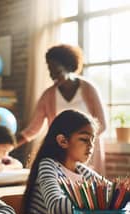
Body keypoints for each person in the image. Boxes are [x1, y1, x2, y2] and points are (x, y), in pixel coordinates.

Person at [17, 44, 106, 174]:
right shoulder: (48, 95)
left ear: (69, 67)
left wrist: (80, 141)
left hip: (88, 156)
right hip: (61, 156)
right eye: (50, 71)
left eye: (57, 71)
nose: (52, 75)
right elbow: (33, 128)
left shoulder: (88, 90)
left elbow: (102, 125)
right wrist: (10, 143)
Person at [24, 109, 103, 214]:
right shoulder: (48, 165)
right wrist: (100, 198)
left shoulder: (82, 171)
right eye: (84, 139)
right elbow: (56, 207)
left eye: (93, 140)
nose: (91, 146)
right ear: (63, 141)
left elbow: (111, 192)